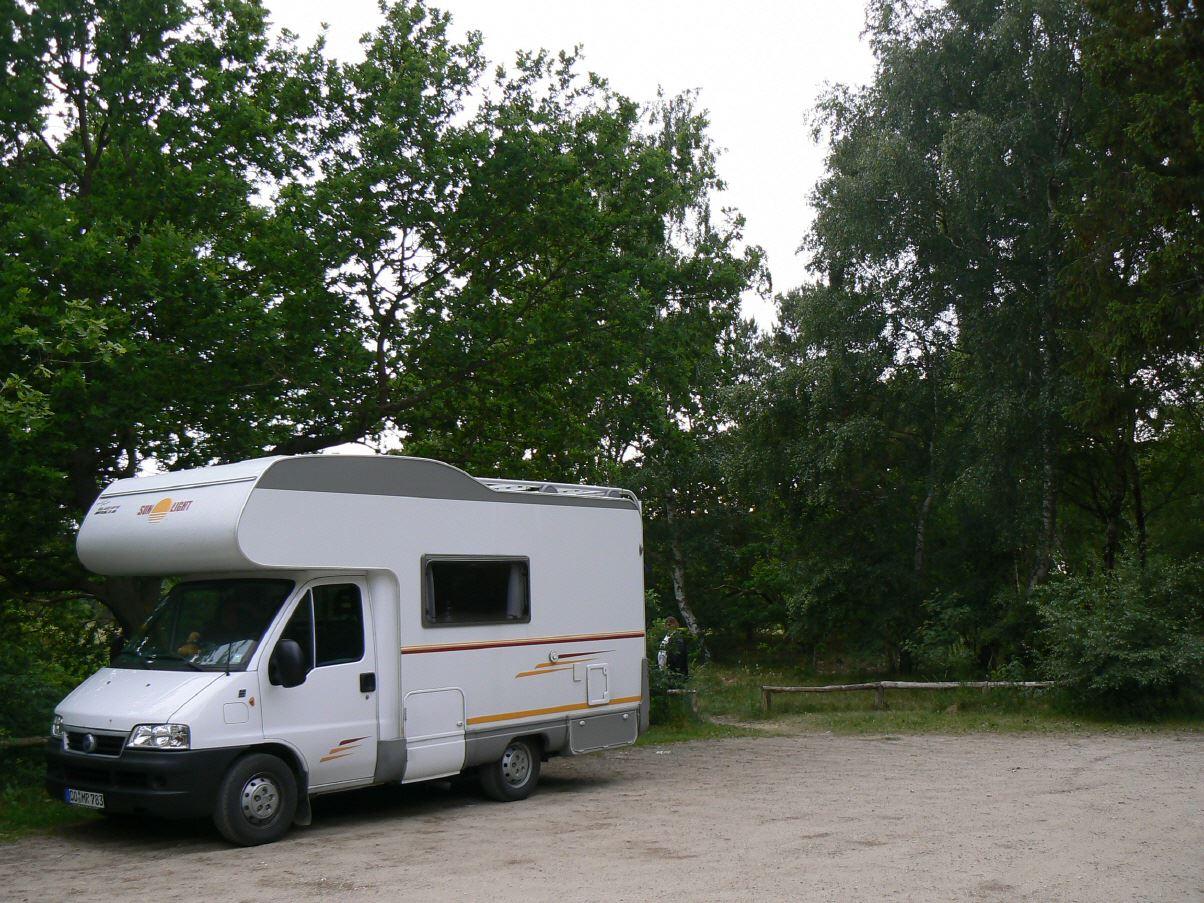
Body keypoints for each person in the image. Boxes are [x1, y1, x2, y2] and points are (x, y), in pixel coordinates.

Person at [657, 616, 689, 682]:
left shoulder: (677, 638)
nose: (669, 626)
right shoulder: (667, 636)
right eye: (667, 624)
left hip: (673, 672)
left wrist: (673, 670)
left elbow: (678, 656)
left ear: (675, 625)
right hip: (665, 670)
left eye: (670, 624)